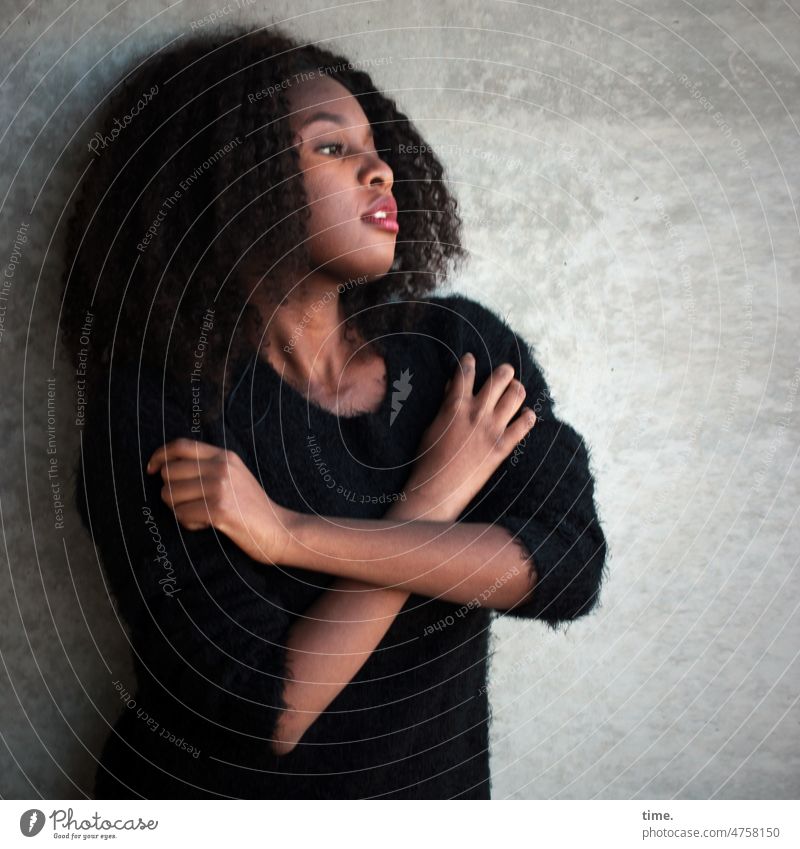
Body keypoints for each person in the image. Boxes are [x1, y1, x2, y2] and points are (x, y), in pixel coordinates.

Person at [60, 26, 608, 799]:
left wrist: (289, 534)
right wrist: (434, 501)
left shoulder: (456, 347)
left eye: (375, 146)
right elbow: (263, 713)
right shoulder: (157, 407)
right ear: (231, 179)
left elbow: (565, 568)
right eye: (330, 149)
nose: (379, 169)